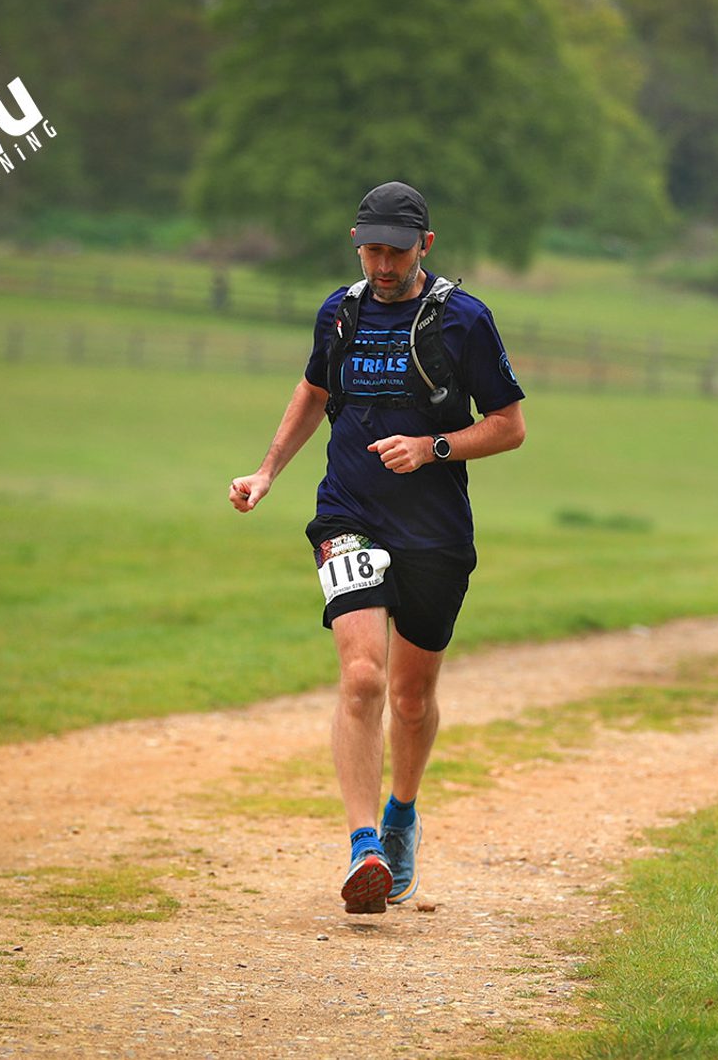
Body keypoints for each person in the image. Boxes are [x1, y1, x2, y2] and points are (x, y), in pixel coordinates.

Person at [229, 181, 527, 913]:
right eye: (371, 249)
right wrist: (267, 470)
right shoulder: (341, 313)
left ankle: (400, 817)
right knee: (362, 677)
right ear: (357, 243)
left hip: (434, 530)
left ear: (424, 246)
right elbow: (312, 393)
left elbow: (509, 425)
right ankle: (363, 847)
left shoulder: (464, 320)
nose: (383, 264)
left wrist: (433, 448)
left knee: (412, 695)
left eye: (396, 251)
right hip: (349, 514)